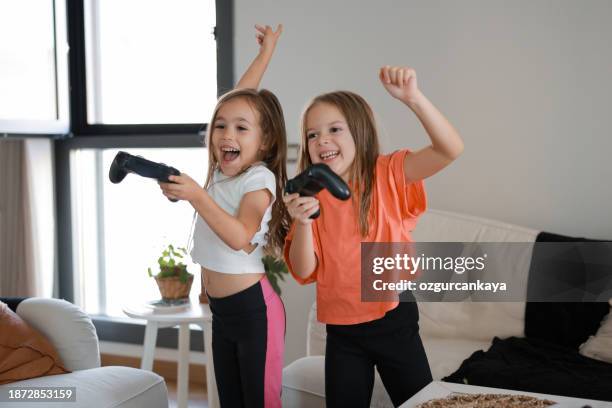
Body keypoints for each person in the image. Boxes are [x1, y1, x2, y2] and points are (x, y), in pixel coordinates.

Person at [283, 66, 464, 407]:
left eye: (334, 129)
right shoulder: (312, 196)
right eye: (312, 135)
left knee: (419, 403)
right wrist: (303, 223)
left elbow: (449, 149)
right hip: (342, 329)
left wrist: (414, 98)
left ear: (360, 134)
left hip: (392, 317)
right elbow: (304, 270)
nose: (321, 140)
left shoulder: (388, 174)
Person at [159, 24, 289, 408]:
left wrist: (196, 196)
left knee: (260, 402)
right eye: (220, 126)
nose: (226, 133)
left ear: (263, 142)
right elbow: (237, 101)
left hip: (255, 313)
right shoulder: (220, 171)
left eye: (241, 129)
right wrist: (264, 56)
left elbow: (239, 236)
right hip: (224, 312)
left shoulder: (258, 178)